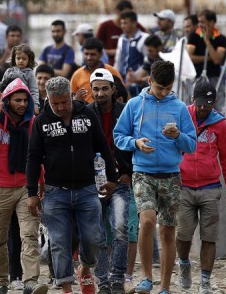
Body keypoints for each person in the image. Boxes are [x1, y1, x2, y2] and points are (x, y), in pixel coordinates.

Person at [25, 76, 116, 294]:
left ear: (70, 96)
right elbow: (33, 157)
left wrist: (112, 177)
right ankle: (66, 287)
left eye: (64, 102)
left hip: (87, 189)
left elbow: (103, 146)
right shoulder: (42, 121)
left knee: (94, 238)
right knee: (59, 242)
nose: (60, 107)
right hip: (56, 192)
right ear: (48, 99)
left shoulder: (87, 114)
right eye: (55, 103)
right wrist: (31, 193)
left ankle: (84, 269)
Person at [113, 61, 197, 294]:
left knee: (168, 230)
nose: (164, 92)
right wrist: (135, 143)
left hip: (171, 175)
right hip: (143, 172)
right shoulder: (134, 105)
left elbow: (191, 145)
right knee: (147, 221)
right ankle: (147, 277)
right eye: (160, 87)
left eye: (168, 88)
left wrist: (178, 135)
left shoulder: (180, 108)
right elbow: (119, 135)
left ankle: (165, 286)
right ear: (149, 82)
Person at [0, 78, 48, 294]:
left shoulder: (33, 122)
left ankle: (30, 281)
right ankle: (0, 281)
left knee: (29, 235)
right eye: (17, 100)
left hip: (26, 187)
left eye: (25, 100)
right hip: (0, 187)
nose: (22, 104)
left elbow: (39, 155)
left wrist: (40, 182)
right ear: (7, 100)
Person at [176, 81, 226, 294]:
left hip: (210, 187)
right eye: (201, 103)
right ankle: (183, 263)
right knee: (183, 234)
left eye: (209, 104)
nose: (204, 108)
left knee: (209, 236)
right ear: (193, 100)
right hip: (183, 186)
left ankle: (205, 280)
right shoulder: (182, 117)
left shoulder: (220, 124)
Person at [87, 70, 134, 294]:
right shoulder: (85, 114)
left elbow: (135, 142)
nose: (100, 93)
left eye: (104, 88)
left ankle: (117, 278)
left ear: (113, 90)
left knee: (121, 228)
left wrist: (131, 172)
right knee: (97, 233)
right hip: (94, 182)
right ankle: (103, 281)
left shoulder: (125, 112)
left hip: (121, 180)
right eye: (96, 89)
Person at [186, 10, 226, 110]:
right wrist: (208, 58)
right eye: (199, 22)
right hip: (196, 77)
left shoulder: (221, 39)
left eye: (203, 22)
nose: (200, 25)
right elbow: (189, 58)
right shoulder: (194, 36)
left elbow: (217, 60)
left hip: (214, 78)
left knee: (216, 106)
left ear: (212, 22)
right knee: (196, 107)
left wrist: (207, 41)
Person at [70, 38, 124, 103]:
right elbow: (71, 97)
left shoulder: (112, 71)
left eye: (92, 54)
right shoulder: (77, 74)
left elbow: (123, 94)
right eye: (86, 54)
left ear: (101, 54)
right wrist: (76, 101)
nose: (89, 58)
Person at [97, 0, 146, 66]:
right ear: (117, 11)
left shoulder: (134, 26)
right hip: (109, 64)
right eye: (125, 12)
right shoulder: (105, 26)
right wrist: (115, 52)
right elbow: (96, 48)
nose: (123, 26)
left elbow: (148, 37)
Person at [0, 44, 39, 110]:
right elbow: (3, 87)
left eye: (24, 59)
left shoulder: (29, 73)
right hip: (8, 103)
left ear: (29, 60)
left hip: (23, 104)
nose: (21, 61)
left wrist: (35, 105)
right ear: (14, 59)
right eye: (18, 58)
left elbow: (34, 91)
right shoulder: (9, 71)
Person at [115, 11, 149, 81]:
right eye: (121, 23)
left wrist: (136, 76)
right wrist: (115, 77)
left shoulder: (144, 38)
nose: (122, 26)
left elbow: (148, 61)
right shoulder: (121, 39)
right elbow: (118, 61)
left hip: (139, 80)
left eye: (125, 23)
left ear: (134, 23)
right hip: (123, 79)